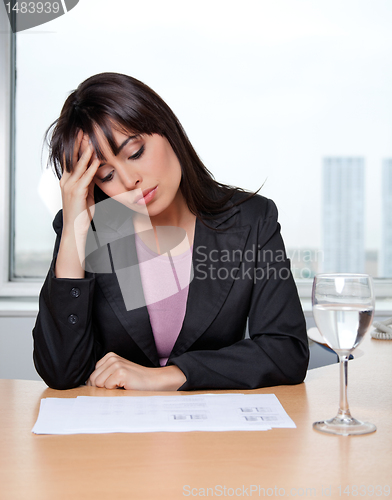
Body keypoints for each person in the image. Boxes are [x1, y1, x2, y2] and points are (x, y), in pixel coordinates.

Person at [32, 72, 309, 391]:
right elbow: (60, 372)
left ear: (167, 129)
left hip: (217, 432)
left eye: (135, 152)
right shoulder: (91, 229)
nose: (128, 180)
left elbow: (287, 351)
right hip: (116, 434)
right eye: (106, 174)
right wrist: (72, 231)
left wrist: (167, 376)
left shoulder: (251, 220)